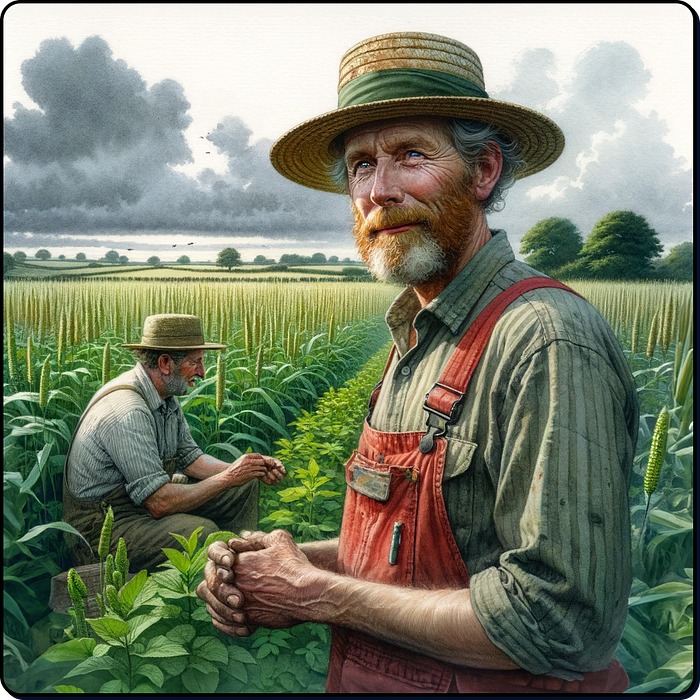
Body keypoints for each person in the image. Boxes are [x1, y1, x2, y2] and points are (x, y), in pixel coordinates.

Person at [197, 32, 639, 693]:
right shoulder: (416, 334)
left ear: (484, 171)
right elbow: (422, 560)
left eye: (410, 155)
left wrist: (318, 595)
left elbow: (559, 621)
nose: (380, 190)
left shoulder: (544, 339)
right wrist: (281, 566)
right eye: (361, 166)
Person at [62, 313, 286, 572]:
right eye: (196, 362)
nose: (202, 372)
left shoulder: (164, 396)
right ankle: (217, 587)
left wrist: (248, 468)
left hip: (137, 505)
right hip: (103, 529)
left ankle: (240, 566)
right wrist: (229, 476)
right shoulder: (127, 410)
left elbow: (191, 459)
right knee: (203, 535)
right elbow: (159, 503)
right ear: (166, 363)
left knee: (243, 486)